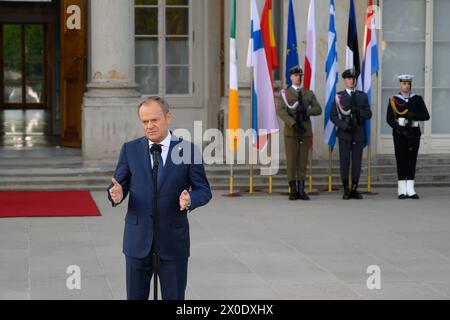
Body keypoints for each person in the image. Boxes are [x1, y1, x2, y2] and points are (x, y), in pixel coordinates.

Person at [107, 97, 212, 300]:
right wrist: (116, 194)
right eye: (145, 122)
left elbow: (204, 190)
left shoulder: (188, 150)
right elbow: (118, 185)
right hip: (137, 241)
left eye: (154, 120)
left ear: (168, 117)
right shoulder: (130, 150)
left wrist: (190, 198)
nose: (150, 126)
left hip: (173, 242)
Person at [276, 65, 322, 201]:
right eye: (296, 75)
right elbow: (281, 111)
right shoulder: (285, 93)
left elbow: (318, 109)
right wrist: (293, 123)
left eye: (300, 75)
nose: (298, 78)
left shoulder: (309, 93)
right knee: (291, 162)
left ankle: (302, 190)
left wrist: (306, 111)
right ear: (291, 77)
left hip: (305, 131)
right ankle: (293, 190)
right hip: (291, 131)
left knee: (302, 162)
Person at [386, 74, 430, 199]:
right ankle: (401, 189)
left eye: (408, 83)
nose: (407, 86)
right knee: (401, 159)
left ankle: (410, 188)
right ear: (400, 84)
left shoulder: (417, 99)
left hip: (414, 132)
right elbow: (389, 119)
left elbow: (426, 116)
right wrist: (400, 129)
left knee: (412, 159)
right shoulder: (394, 100)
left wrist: (414, 115)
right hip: (400, 133)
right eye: (404, 83)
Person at [331, 68, 372, 200]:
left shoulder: (362, 96)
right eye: (349, 78)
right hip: (345, 133)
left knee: (356, 162)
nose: (351, 80)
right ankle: (346, 189)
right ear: (345, 80)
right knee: (345, 161)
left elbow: (368, 113)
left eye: (353, 78)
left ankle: (354, 187)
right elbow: (333, 116)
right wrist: (344, 126)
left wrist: (359, 111)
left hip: (358, 133)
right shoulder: (339, 96)